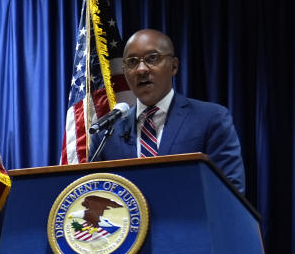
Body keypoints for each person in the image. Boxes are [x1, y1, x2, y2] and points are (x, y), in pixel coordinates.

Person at [95, 29, 246, 193]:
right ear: (124, 72)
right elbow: (93, 193)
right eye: (132, 62)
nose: (141, 69)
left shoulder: (211, 119)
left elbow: (231, 191)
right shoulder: (107, 133)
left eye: (152, 58)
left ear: (174, 66)